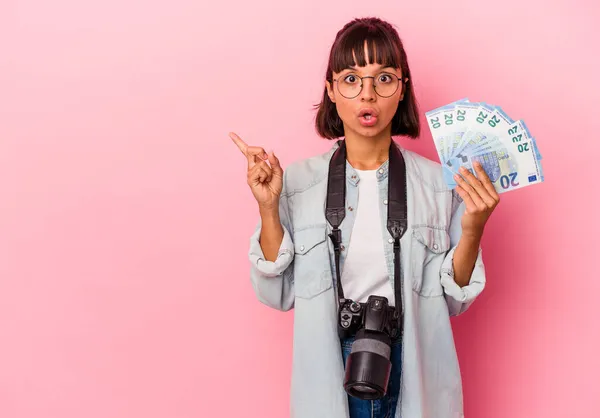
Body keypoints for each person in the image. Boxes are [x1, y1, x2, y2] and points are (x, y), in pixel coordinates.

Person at [230, 16, 499, 418]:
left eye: (384, 78)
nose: (367, 95)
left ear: (402, 88)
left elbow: (454, 300)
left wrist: (474, 227)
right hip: (329, 368)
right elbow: (277, 292)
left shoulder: (439, 184)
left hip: (414, 369)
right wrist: (268, 207)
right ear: (332, 91)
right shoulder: (298, 181)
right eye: (352, 79)